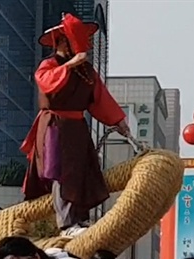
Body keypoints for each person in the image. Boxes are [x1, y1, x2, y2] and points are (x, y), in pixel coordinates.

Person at [22, 14, 130, 237]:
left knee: (82, 171)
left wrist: (119, 121)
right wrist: (70, 65)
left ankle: (79, 219)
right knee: (63, 173)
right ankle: (66, 223)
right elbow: (46, 82)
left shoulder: (87, 71)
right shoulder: (49, 65)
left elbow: (100, 98)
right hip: (55, 125)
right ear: (62, 41)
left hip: (77, 126)